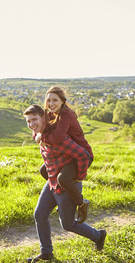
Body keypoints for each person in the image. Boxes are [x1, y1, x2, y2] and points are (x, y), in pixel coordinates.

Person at [23, 104, 106, 263]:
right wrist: (37, 136)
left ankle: (98, 235)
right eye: (28, 121)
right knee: (39, 214)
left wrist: (79, 178)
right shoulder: (40, 135)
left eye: (34, 119)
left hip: (68, 185)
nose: (31, 124)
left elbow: (83, 155)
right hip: (53, 182)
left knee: (67, 225)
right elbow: (38, 137)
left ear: (43, 117)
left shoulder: (57, 138)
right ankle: (46, 253)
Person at [35, 86, 93, 224]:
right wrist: (38, 134)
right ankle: (62, 200)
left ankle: (81, 203)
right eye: (48, 100)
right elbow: (37, 125)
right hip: (67, 154)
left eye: (55, 100)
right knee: (44, 171)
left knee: (63, 178)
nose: (51, 104)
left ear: (62, 101)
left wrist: (42, 138)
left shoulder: (66, 115)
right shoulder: (51, 114)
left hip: (82, 154)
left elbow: (57, 138)